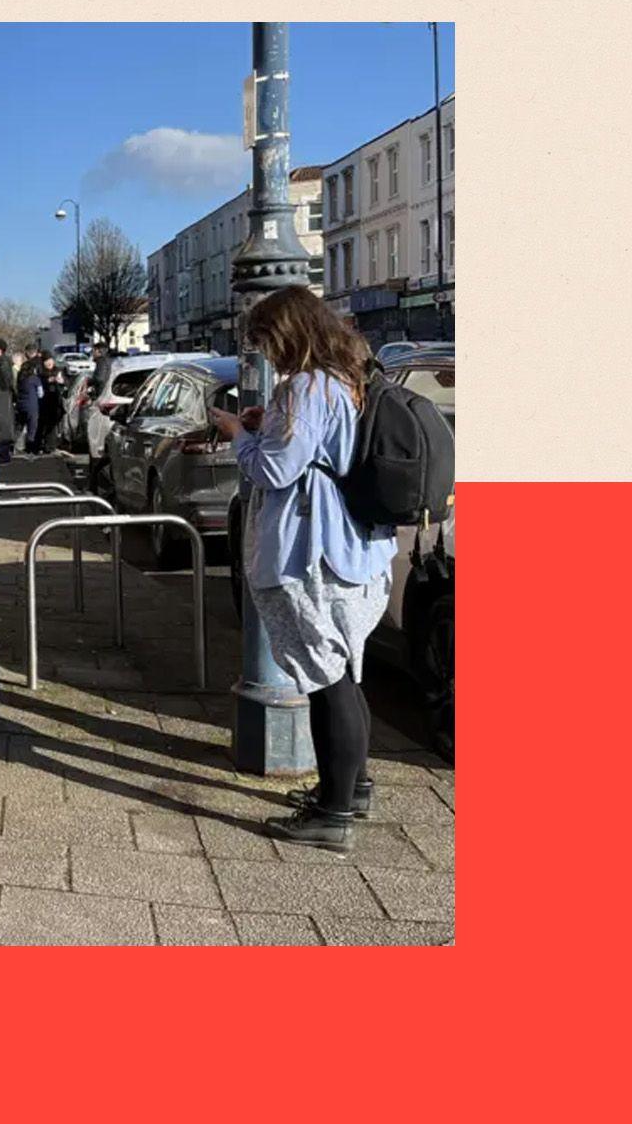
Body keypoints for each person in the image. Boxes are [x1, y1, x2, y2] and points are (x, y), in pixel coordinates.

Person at [208, 286, 397, 854]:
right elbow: (316, 450)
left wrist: (239, 435)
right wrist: (269, 422)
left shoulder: (306, 386)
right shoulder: (347, 378)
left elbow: (274, 470)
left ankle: (332, 813)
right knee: (341, 674)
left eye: (266, 341)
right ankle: (350, 787)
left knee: (325, 681)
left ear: (287, 334)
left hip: (313, 554)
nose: (265, 354)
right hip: (353, 549)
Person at [35, 354, 67, 453]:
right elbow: (39, 384)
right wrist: (49, 380)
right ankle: (38, 444)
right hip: (44, 402)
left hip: (56, 401)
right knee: (42, 424)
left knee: (53, 425)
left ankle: (50, 446)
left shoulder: (58, 371)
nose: (49, 363)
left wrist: (62, 382)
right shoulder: (40, 373)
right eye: (46, 361)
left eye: (50, 360)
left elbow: (65, 385)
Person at [16, 348, 44, 456]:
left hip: (21, 404)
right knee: (32, 428)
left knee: (19, 426)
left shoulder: (20, 378)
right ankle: (30, 448)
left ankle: (14, 446)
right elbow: (41, 394)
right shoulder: (35, 379)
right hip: (32, 406)